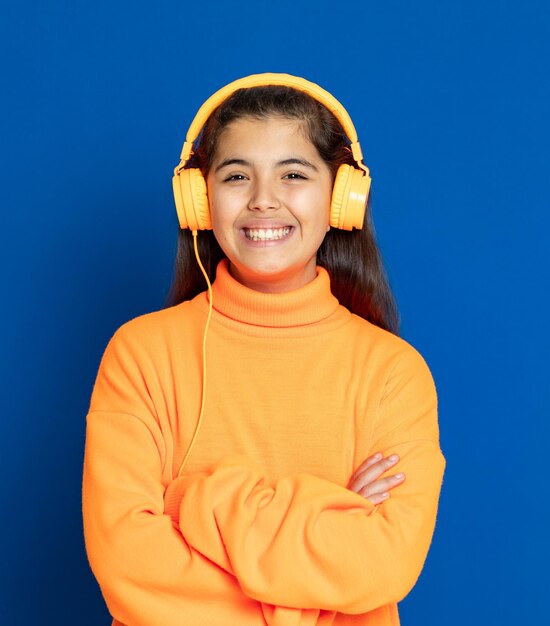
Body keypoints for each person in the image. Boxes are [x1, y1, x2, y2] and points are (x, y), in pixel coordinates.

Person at [82, 73, 446, 626]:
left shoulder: (393, 372)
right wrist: (328, 518)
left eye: (294, 174)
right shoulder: (141, 354)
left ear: (341, 200)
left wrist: (189, 502)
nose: (263, 201)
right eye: (235, 176)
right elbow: (128, 564)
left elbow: (383, 564)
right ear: (200, 200)